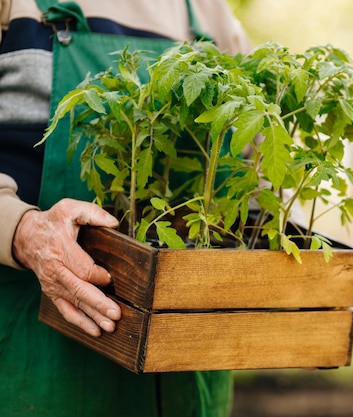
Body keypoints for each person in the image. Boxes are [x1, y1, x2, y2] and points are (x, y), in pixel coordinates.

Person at [0, 1, 252, 416]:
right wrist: (22, 230)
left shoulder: (203, 9)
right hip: (30, 347)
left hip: (184, 367)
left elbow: (248, 158)